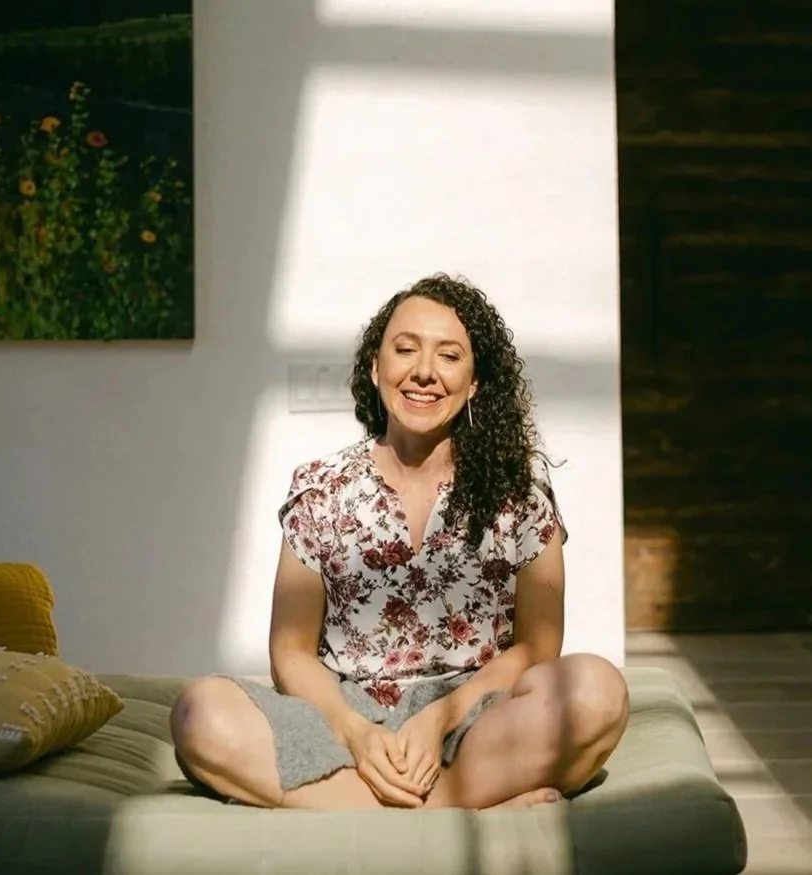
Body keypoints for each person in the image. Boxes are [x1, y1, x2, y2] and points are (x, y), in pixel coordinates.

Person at [171, 273, 629, 811]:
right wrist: (356, 734)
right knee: (199, 713)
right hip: (342, 715)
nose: (424, 372)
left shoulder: (520, 493)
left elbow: (537, 648)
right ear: (375, 367)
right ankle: (450, 809)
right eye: (405, 349)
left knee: (599, 692)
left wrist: (441, 717)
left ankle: (372, 808)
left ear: (475, 382)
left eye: (449, 356)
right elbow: (291, 653)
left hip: (475, 716)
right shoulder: (320, 489)